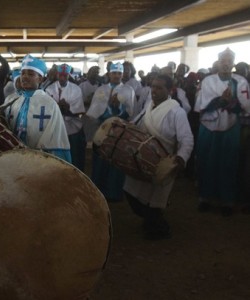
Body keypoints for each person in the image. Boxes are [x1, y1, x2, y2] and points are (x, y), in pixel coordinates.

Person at [124, 74, 194, 240]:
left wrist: (181, 157)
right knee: (131, 191)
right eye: (153, 86)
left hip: (162, 161)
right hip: (141, 159)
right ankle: (151, 220)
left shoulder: (177, 111)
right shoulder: (148, 106)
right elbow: (136, 123)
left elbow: (187, 138)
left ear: (169, 90)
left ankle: (159, 228)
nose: (154, 90)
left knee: (154, 200)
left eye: (159, 87)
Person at [195, 48, 250, 216]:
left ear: (233, 63)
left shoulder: (240, 81)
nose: (226, 63)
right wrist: (220, 100)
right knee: (206, 161)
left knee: (228, 163)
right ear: (218, 62)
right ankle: (205, 198)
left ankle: (227, 201)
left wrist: (231, 101)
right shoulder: (208, 81)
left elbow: (245, 106)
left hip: (230, 127)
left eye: (229, 61)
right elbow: (202, 105)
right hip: (208, 127)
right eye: (223, 60)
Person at [2, 54, 71, 162]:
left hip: (39, 159)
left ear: (40, 78)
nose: (24, 77)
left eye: (30, 74)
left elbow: (54, 137)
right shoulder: (10, 100)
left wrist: (35, 156)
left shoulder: (50, 104)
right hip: (12, 157)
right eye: (23, 73)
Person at [84, 62, 135, 202]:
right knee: (101, 159)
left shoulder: (128, 90)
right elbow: (95, 109)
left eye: (119, 73)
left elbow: (131, 112)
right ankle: (98, 189)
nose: (117, 76)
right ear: (109, 74)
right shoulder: (101, 89)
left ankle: (113, 192)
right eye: (114, 73)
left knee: (116, 160)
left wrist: (119, 108)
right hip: (103, 128)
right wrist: (105, 110)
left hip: (119, 130)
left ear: (122, 74)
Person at [46, 63, 86, 170]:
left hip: (72, 128)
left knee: (74, 155)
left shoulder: (76, 89)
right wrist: (57, 107)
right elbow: (48, 108)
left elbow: (79, 111)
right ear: (57, 75)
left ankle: (75, 173)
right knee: (57, 156)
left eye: (65, 75)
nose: (63, 78)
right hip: (56, 128)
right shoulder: (49, 89)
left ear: (69, 75)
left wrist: (68, 108)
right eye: (60, 75)